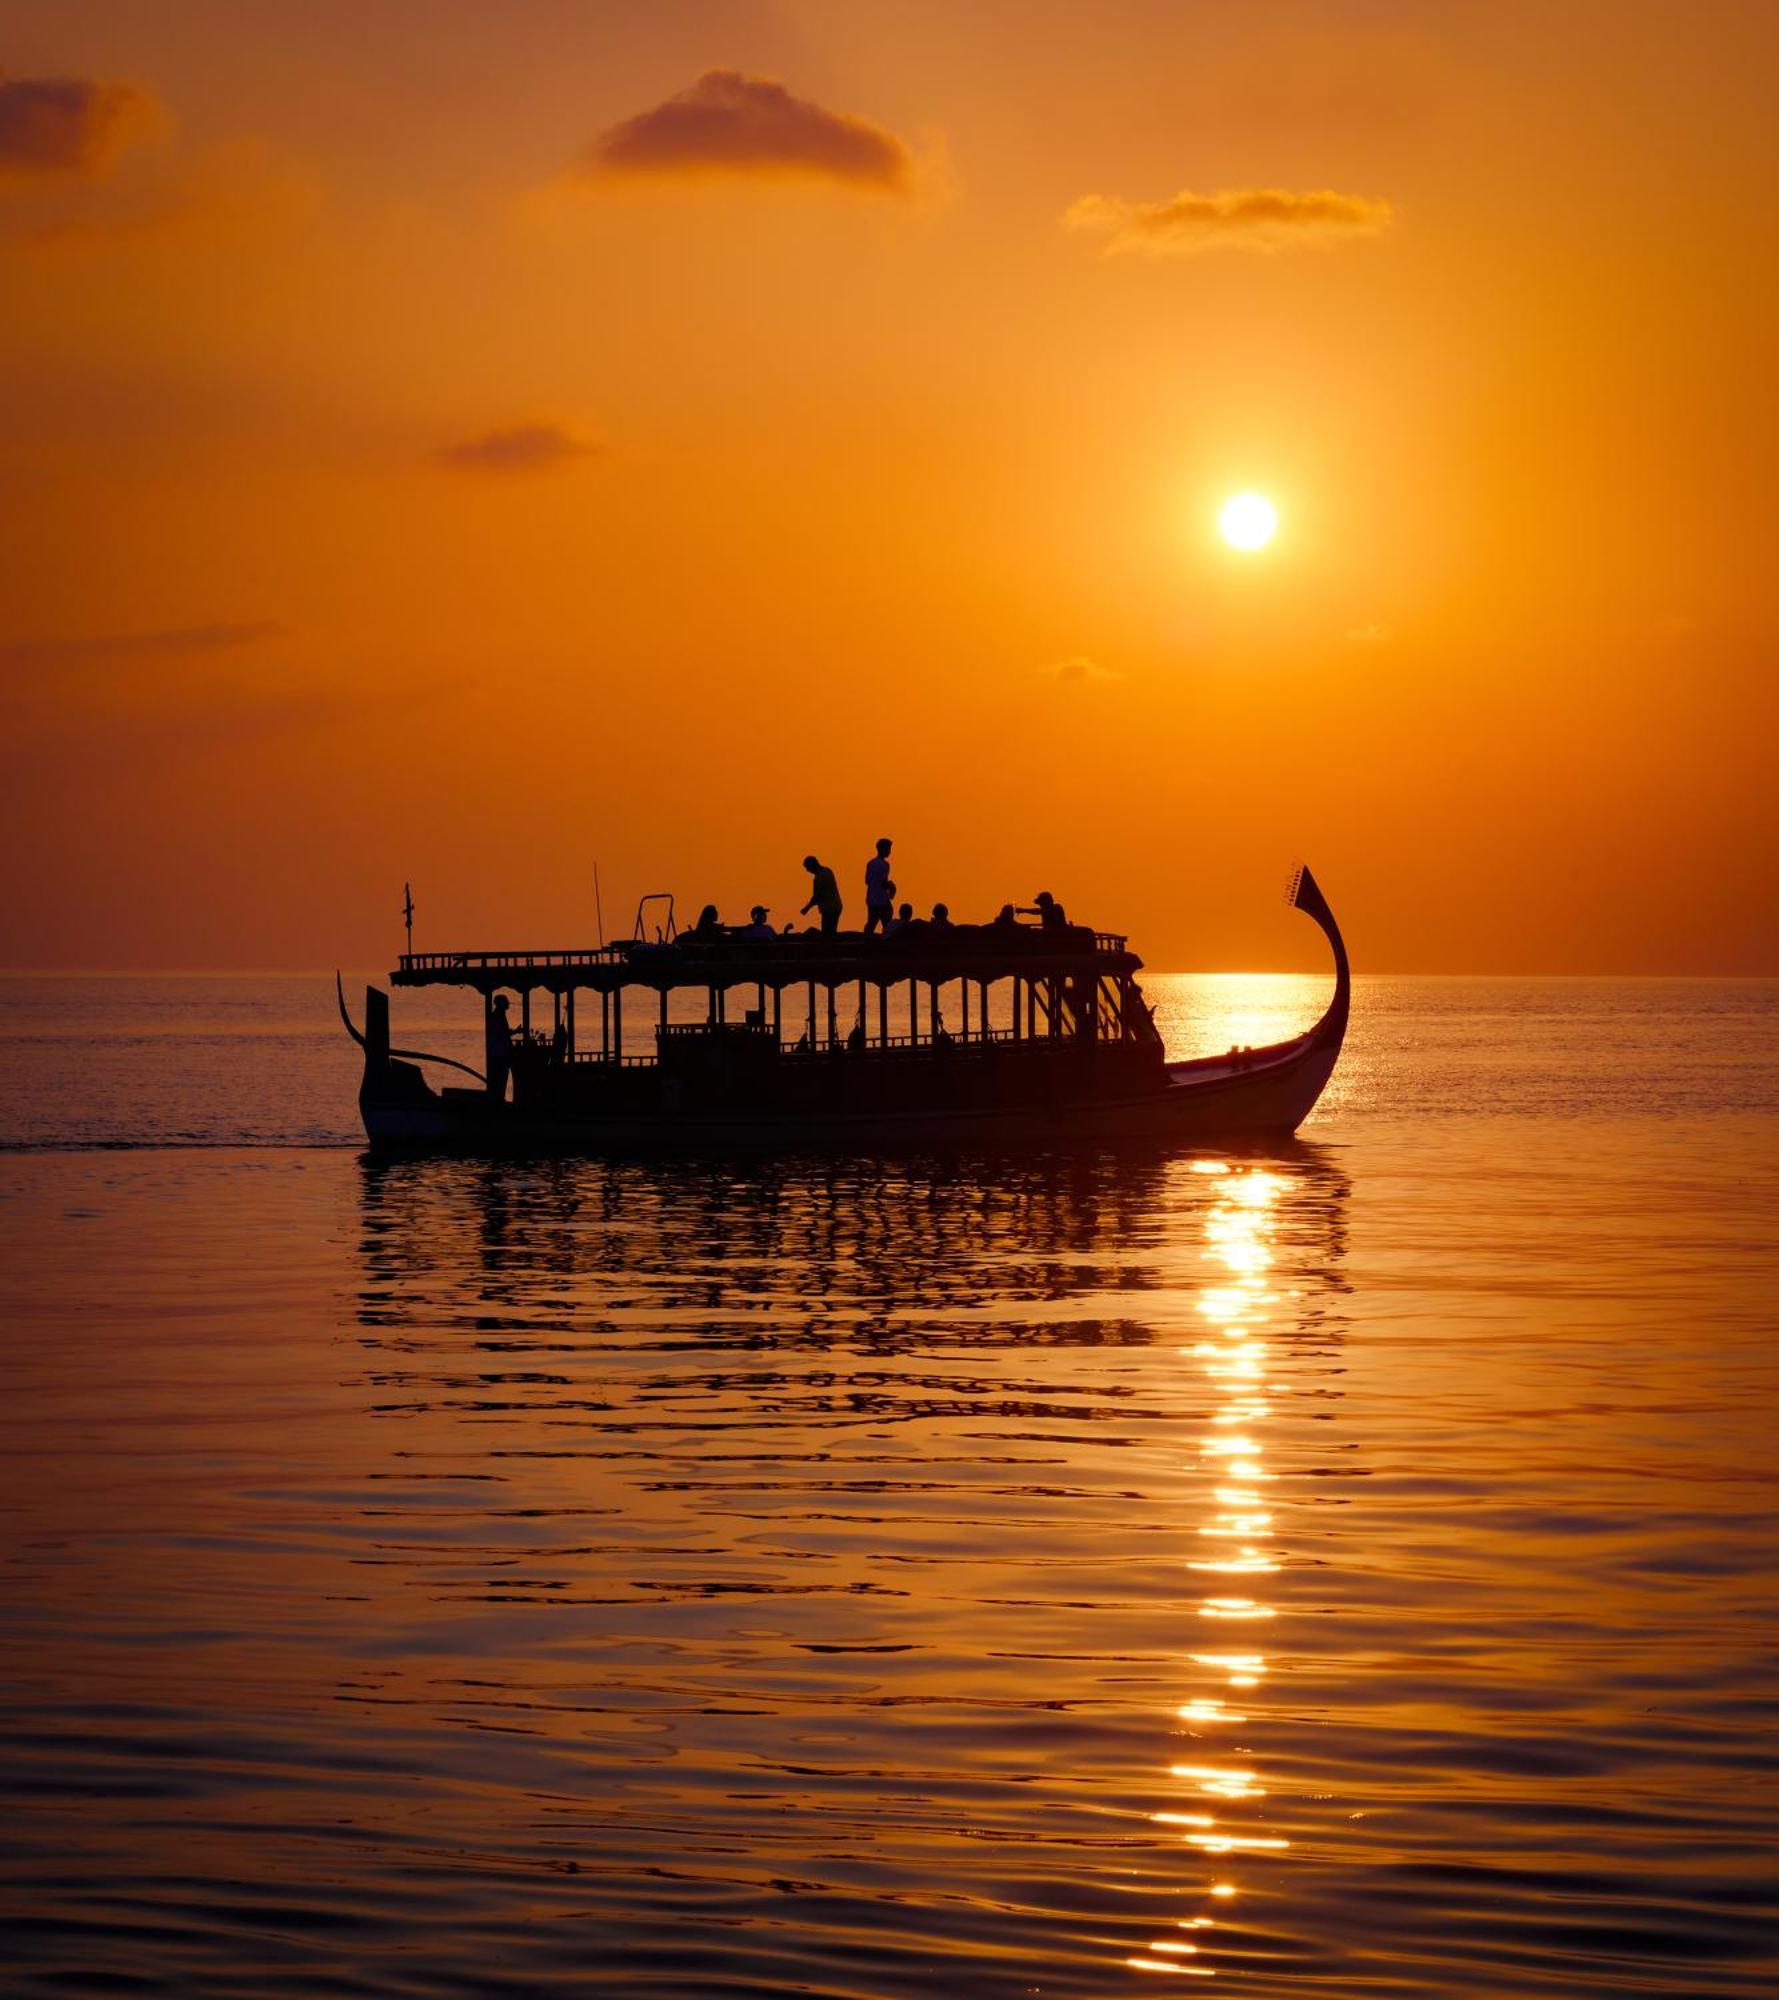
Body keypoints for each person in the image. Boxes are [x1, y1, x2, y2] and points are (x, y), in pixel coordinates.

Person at [801, 854, 842, 935]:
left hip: (829, 908)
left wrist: (807, 908)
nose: (807, 870)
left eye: (807, 868)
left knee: (827, 933)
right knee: (831, 932)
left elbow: (816, 897)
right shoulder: (827, 870)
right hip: (836, 905)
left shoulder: (819, 877)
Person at [863, 837, 896, 935]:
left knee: (871, 922)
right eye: (888, 849)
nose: (890, 851)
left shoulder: (870, 863)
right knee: (887, 923)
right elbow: (883, 883)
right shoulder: (884, 864)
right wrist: (891, 887)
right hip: (881, 900)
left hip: (871, 899)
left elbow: (867, 881)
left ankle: (866, 939)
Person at [485, 992, 514, 1100]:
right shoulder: (497, 1016)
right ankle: (498, 1100)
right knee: (499, 1078)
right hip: (499, 1053)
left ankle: (499, 1098)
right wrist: (515, 1031)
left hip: (498, 1052)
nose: (508, 1004)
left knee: (499, 1079)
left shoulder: (498, 1015)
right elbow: (501, 1033)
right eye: (506, 1002)